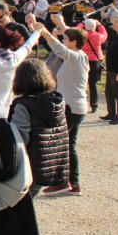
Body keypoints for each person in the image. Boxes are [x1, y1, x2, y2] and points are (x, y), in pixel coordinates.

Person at [34, 17, 89, 197]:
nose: (64, 41)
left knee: (59, 144)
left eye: (66, 39)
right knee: (68, 145)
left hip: (71, 106)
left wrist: (45, 32)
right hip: (75, 106)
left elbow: (59, 49)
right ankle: (72, 183)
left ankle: (63, 182)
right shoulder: (79, 57)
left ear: (73, 43)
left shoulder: (75, 56)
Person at [9, 59, 69, 195]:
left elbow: (19, 138)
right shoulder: (57, 101)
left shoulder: (24, 105)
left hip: (30, 165)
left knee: (21, 207)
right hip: (50, 164)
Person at [78, 18, 107, 113]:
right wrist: (99, 25)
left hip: (83, 60)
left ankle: (81, 102)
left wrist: (82, 23)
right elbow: (105, 34)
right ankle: (94, 105)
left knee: (81, 82)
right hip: (95, 61)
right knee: (93, 84)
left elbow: (76, 29)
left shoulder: (82, 35)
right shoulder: (98, 36)